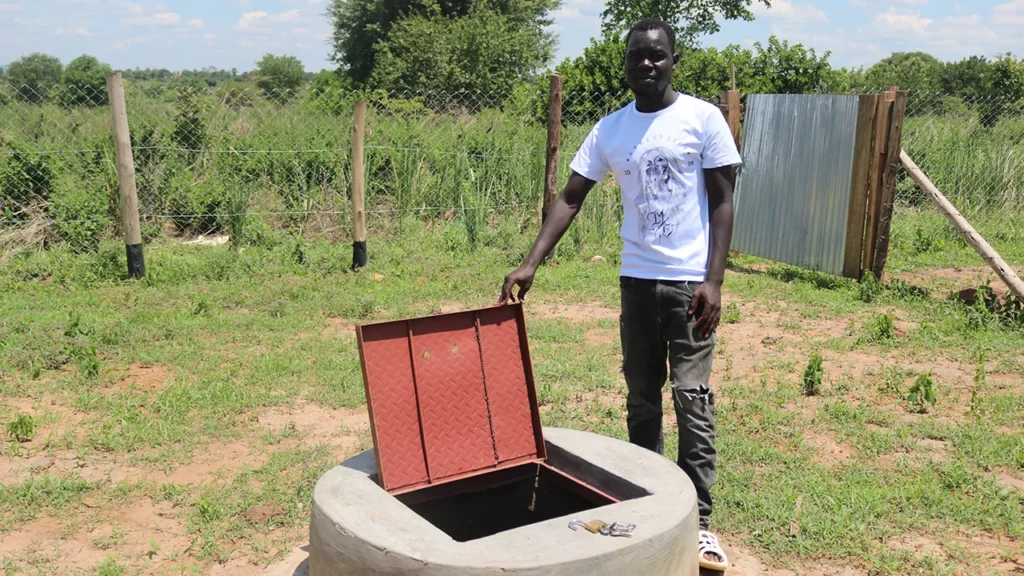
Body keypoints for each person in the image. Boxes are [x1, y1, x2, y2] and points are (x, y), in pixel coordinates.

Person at [498, 18, 740, 572]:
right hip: (635, 282)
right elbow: (571, 196)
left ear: (674, 60)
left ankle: (700, 523)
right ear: (626, 64)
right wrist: (532, 262)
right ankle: (650, 504)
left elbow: (723, 202)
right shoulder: (610, 130)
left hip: (688, 285)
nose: (647, 64)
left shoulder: (702, 119)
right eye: (637, 57)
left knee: (692, 396)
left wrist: (713, 279)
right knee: (641, 397)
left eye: (657, 55)